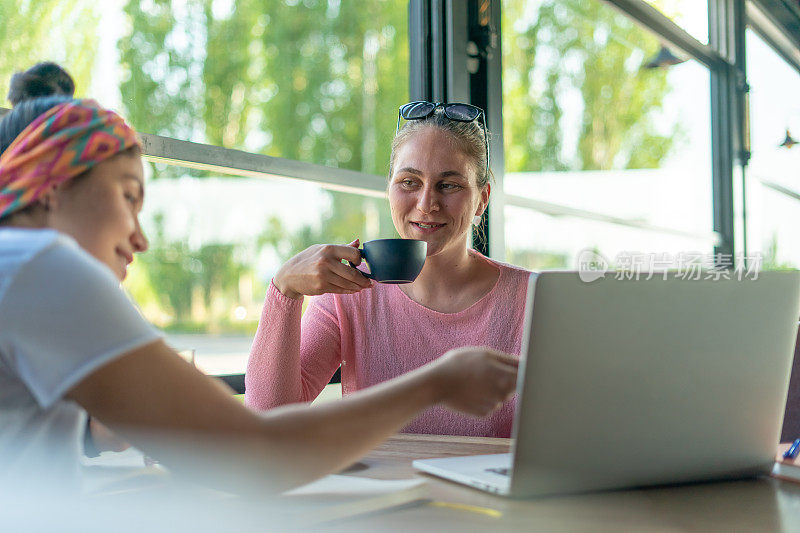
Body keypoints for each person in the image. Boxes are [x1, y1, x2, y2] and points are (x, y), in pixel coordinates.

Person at [0, 65, 519, 493]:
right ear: (49, 190)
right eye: (129, 197)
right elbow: (258, 452)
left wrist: (92, 431)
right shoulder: (43, 268)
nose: (141, 240)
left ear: (481, 198)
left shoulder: (19, 271)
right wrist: (439, 382)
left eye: (448, 185)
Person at [245, 101, 532, 438]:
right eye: (410, 182)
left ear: (482, 199)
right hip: (379, 490)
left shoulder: (532, 298)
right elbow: (268, 422)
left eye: (449, 185)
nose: (427, 204)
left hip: (487, 491)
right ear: (390, 189)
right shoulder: (349, 292)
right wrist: (284, 291)